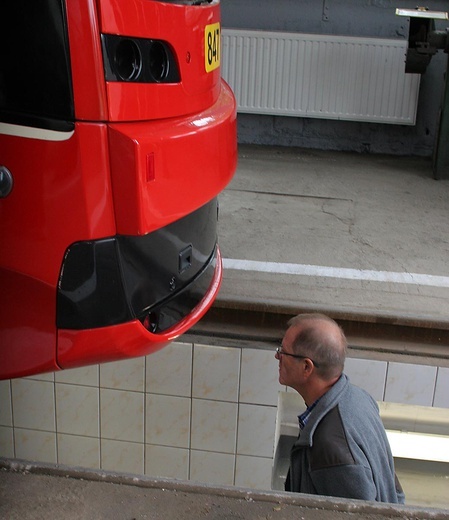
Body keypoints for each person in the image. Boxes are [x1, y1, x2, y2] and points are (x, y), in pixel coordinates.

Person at [275, 312, 404, 504]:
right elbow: (393, 488)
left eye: (283, 351)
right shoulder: (358, 398)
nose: (277, 356)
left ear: (306, 367)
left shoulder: (330, 448)